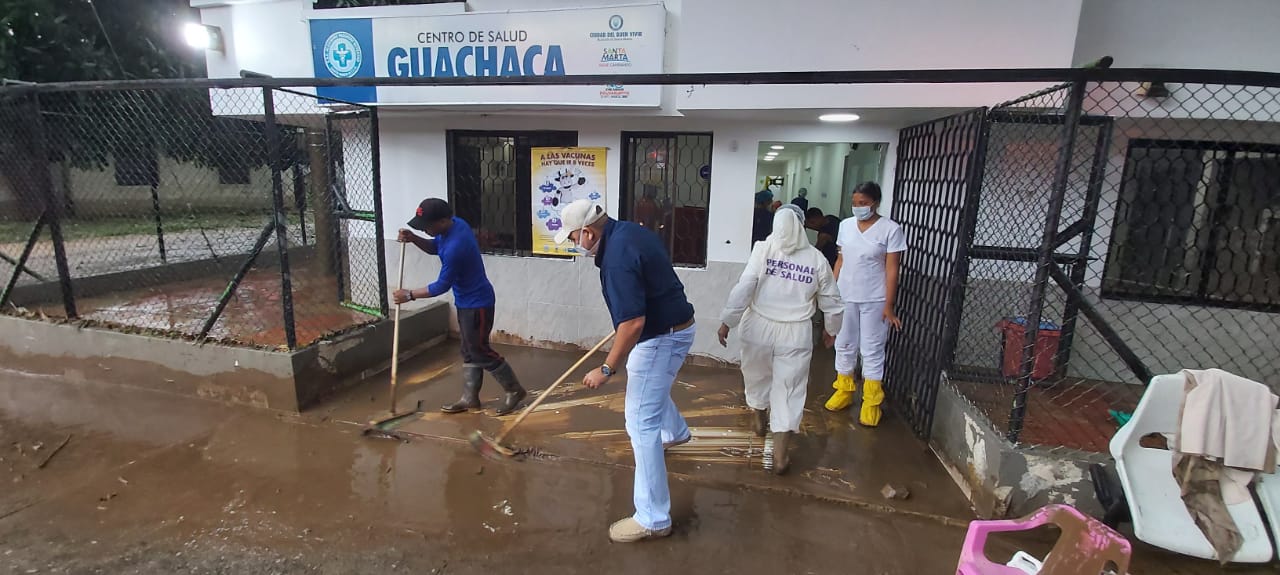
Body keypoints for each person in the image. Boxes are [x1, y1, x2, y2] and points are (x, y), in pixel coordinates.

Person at [555, 199, 697, 544]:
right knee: (649, 386)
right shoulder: (629, 231)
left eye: (574, 238)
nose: (575, 244)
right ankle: (676, 432)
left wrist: (606, 367)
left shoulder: (617, 258)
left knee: (640, 423)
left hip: (660, 337)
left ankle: (653, 518)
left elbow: (633, 322)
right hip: (675, 326)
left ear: (588, 232)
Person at [717, 205, 842, 474]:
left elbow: (745, 286)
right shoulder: (816, 258)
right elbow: (832, 302)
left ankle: (759, 417)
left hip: (757, 328)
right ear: (801, 226)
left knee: (756, 376)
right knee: (789, 390)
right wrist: (831, 330)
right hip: (795, 333)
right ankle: (781, 456)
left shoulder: (763, 249)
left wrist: (728, 320)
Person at [394, 198, 527, 416]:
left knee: (479, 350)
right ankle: (470, 398)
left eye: (427, 225)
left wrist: (409, 295)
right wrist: (413, 238)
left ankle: (514, 390)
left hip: (478, 304)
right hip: (465, 302)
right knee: (468, 350)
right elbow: (435, 247)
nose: (426, 229)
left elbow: (440, 286)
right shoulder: (454, 225)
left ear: (444, 221)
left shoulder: (457, 246)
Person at [824, 182, 907, 427]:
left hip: (875, 297)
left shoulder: (890, 229)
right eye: (855, 203)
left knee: (871, 348)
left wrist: (889, 305)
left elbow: (892, 270)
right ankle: (844, 390)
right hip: (846, 295)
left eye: (863, 204)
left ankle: (871, 402)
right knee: (844, 343)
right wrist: (830, 291)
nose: (858, 208)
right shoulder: (845, 226)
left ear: (876, 202)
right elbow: (840, 260)